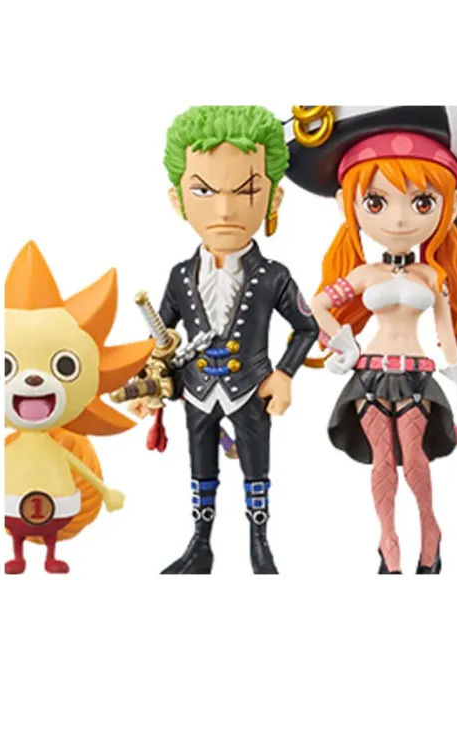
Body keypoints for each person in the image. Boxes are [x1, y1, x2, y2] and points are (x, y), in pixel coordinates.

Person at [128, 106, 318, 574]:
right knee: (200, 467)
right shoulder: (180, 275)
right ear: (178, 200)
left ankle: (260, 543)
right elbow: (159, 335)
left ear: (273, 199)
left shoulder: (273, 276)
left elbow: (307, 326)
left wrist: (284, 374)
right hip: (196, 389)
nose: (226, 210)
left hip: (250, 387)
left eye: (247, 191)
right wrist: (149, 377)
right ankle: (200, 544)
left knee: (256, 466)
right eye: (203, 191)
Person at [287, 106, 457, 574]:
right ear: (346, 206)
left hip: (416, 375)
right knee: (383, 464)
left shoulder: (431, 276)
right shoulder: (364, 274)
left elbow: (445, 331)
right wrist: (343, 343)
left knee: (416, 461)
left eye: (422, 202)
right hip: (368, 375)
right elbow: (316, 306)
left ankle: (430, 531)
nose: (399, 218)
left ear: (450, 206)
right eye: (376, 202)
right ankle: (388, 543)